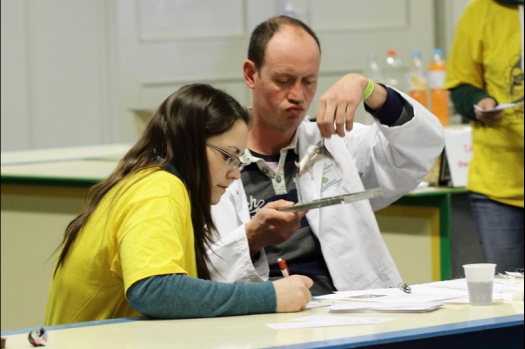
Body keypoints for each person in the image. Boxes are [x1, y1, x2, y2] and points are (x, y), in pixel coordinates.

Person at [208, 16, 446, 295]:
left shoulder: (335, 143)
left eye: (309, 81)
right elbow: (197, 271)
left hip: (343, 308)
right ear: (251, 74)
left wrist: (368, 89)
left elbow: (422, 146)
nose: (297, 95)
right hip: (258, 312)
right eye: (283, 81)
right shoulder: (211, 160)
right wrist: (252, 238)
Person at [44, 84, 313, 326]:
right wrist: (269, 296)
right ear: (191, 144)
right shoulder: (158, 189)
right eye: (229, 157)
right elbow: (155, 290)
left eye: (239, 160)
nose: (235, 173)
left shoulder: (150, 181)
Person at [445, 0, 524, 273]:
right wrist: (480, 101)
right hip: (498, 187)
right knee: (508, 299)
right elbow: (461, 86)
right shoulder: (480, 12)